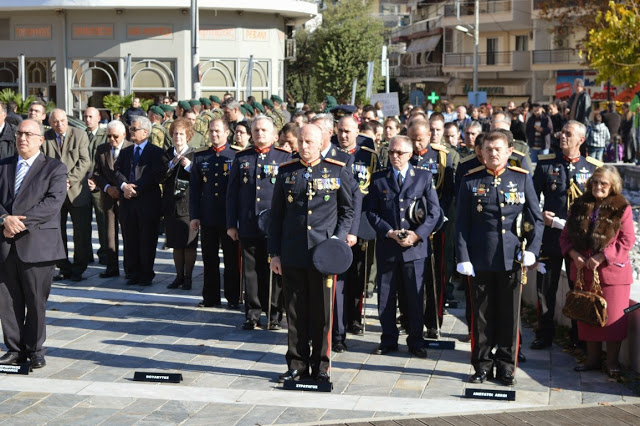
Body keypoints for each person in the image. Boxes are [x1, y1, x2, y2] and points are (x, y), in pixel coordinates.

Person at [456, 131, 543, 386]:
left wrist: (532, 251)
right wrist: (463, 256)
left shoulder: (521, 179)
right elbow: (461, 223)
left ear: (508, 152)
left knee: (509, 315)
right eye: (489, 149)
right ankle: (481, 365)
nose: (493, 153)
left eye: (498, 149)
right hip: (480, 260)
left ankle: (506, 367)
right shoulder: (471, 181)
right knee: (481, 316)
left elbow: (536, 218)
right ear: (481, 152)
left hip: (512, 259)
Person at [269, 123, 354, 383]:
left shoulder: (336, 170)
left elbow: (347, 211)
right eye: (301, 142)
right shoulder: (286, 171)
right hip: (293, 252)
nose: (304, 147)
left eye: (309, 142)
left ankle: (321, 365)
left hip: (324, 256)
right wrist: (274, 253)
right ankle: (297, 363)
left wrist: (337, 242)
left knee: (322, 314)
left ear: (321, 143)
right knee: (294, 312)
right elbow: (276, 216)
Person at [365, 135, 441, 358]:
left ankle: (416, 341)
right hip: (388, 247)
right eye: (391, 152)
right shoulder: (379, 179)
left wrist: (417, 235)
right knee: (386, 297)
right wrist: (388, 232)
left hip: (415, 249)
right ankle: (388, 339)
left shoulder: (424, 177)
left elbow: (435, 212)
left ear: (409, 154)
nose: (394, 157)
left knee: (415, 297)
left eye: (399, 153)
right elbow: (371, 212)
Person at [0, 119, 67, 368]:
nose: (22, 138)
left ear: (41, 139)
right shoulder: (3, 166)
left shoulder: (54, 168)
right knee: (7, 300)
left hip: (37, 245)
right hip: (5, 244)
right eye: (19, 133)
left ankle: (35, 349)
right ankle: (14, 348)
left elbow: (52, 203)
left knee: (36, 301)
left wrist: (17, 222)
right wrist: (4, 219)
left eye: (28, 134)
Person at [531, 120, 601, 350]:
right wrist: (540, 214)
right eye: (561, 133)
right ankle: (544, 333)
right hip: (551, 237)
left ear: (581, 140)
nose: (563, 137)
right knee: (545, 288)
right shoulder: (546, 165)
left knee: (577, 286)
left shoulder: (592, 168)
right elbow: (531, 198)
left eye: (569, 134)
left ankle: (577, 335)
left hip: (578, 240)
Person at [560, 166, 635, 378]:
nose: (598, 186)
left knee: (612, 320)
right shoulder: (579, 205)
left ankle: (612, 362)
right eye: (595, 182)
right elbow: (565, 237)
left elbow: (627, 240)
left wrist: (601, 257)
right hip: (584, 273)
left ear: (613, 185)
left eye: (604, 183)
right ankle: (592, 360)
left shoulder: (622, 207)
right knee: (587, 317)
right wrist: (574, 255)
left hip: (612, 275)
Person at [227, 115, 291, 330]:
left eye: (264, 130)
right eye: (255, 131)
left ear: (274, 134)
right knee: (251, 270)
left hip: (274, 225)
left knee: (274, 269)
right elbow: (232, 194)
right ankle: (252, 313)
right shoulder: (241, 157)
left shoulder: (284, 157)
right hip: (248, 223)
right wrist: (231, 224)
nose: (259, 134)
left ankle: (274, 314)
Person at [190, 118, 240, 308]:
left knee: (231, 259)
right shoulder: (201, 156)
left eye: (218, 131)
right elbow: (195, 189)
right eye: (211, 131)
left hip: (229, 217)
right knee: (209, 259)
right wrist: (194, 215)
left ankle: (233, 297)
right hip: (208, 215)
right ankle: (210, 297)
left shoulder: (235, 155)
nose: (214, 134)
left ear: (227, 133)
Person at [114, 116, 167, 286]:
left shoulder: (156, 152)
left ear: (145, 132)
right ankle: (132, 272)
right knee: (130, 238)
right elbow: (116, 172)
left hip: (147, 201)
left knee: (147, 239)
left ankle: (146, 273)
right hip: (128, 202)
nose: (131, 132)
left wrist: (135, 188)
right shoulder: (125, 151)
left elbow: (154, 175)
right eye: (130, 129)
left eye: (134, 129)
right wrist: (124, 186)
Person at [42, 109, 92, 282]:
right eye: (55, 122)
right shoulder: (45, 137)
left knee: (81, 233)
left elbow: (85, 161)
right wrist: (56, 183)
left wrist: (69, 180)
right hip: (54, 193)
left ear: (67, 120)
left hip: (77, 192)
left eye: (62, 120)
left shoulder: (79, 135)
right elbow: (42, 162)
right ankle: (63, 267)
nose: (60, 124)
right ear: (50, 123)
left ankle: (79, 268)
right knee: (57, 232)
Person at [91, 120, 132, 278]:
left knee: (128, 234)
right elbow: (97, 173)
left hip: (126, 199)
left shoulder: (130, 148)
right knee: (109, 234)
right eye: (109, 136)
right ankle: (111, 267)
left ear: (123, 134)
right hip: (108, 197)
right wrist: (107, 188)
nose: (112, 140)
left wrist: (122, 188)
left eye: (115, 136)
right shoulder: (102, 149)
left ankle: (130, 268)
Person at [162, 118, 197, 290]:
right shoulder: (167, 154)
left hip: (188, 204)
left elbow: (199, 179)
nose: (178, 137)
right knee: (175, 243)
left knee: (188, 243)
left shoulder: (194, 154)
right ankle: (179, 276)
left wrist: (189, 166)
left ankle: (189, 277)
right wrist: (171, 164)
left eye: (182, 134)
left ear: (188, 136)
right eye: (175, 134)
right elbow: (159, 176)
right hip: (171, 205)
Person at [83, 107, 108, 265]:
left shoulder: (105, 136)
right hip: (82, 184)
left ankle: (105, 254)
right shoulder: (80, 135)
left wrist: (96, 179)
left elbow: (107, 161)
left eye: (91, 116)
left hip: (99, 184)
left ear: (98, 118)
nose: (87, 119)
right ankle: (85, 254)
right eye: (85, 116)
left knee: (103, 221)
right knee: (83, 223)